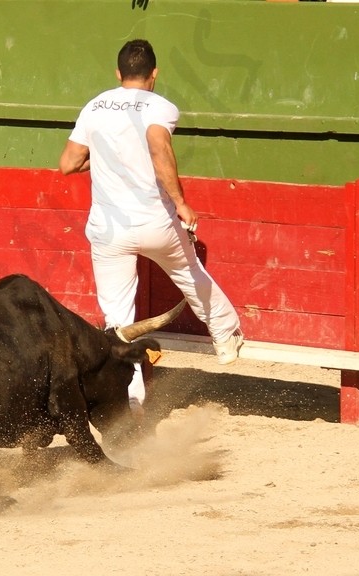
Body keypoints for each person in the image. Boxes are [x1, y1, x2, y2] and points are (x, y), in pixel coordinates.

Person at [58, 38, 243, 409]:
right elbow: (158, 146)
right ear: (154, 74)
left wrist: (106, 158)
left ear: (118, 74)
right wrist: (181, 203)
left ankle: (131, 403)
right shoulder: (160, 106)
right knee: (191, 273)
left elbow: (68, 164)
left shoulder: (94, 106)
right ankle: (225, 338)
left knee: (118, 320)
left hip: (109, 229)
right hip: (154, 220)